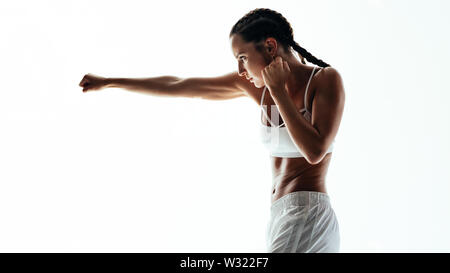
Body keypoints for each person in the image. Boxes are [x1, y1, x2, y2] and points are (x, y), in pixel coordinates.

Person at [79, 8, 345, 253]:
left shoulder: (324, 79)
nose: (240, 71)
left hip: (307, 215)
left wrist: (277, 90)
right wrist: (110, 82)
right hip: (279, 216)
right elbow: (179, 84)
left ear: (270, 46)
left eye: (242, 58)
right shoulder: (257, 89)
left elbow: (314, 151)